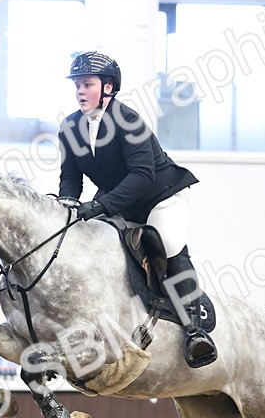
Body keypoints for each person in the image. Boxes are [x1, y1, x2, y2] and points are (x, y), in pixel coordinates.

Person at [58, 50, 218, 368]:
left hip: (160, 196)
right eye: (77, 84)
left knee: (168, 243)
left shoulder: (127, 121)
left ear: (108, 88)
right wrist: (67, 204)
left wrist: (101, 204)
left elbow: (143, 176)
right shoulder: (70, 127)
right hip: (119, 200)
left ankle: (195, 332)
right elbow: (70, 176)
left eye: (87, 84)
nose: (79, 90)